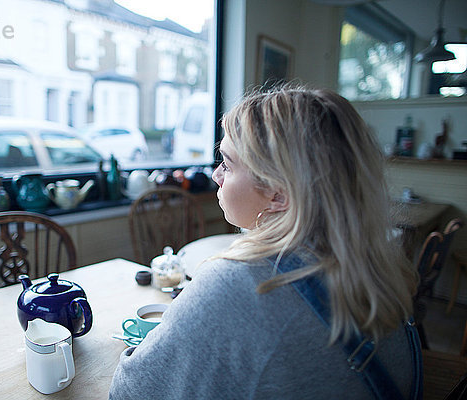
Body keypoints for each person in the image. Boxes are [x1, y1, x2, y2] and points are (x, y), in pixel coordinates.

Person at [109, 86, 422, 399]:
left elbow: (130, 392)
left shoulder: (239, 283)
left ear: (278, 194)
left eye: (228, 164)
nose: (217, 175)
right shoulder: (374, 267)